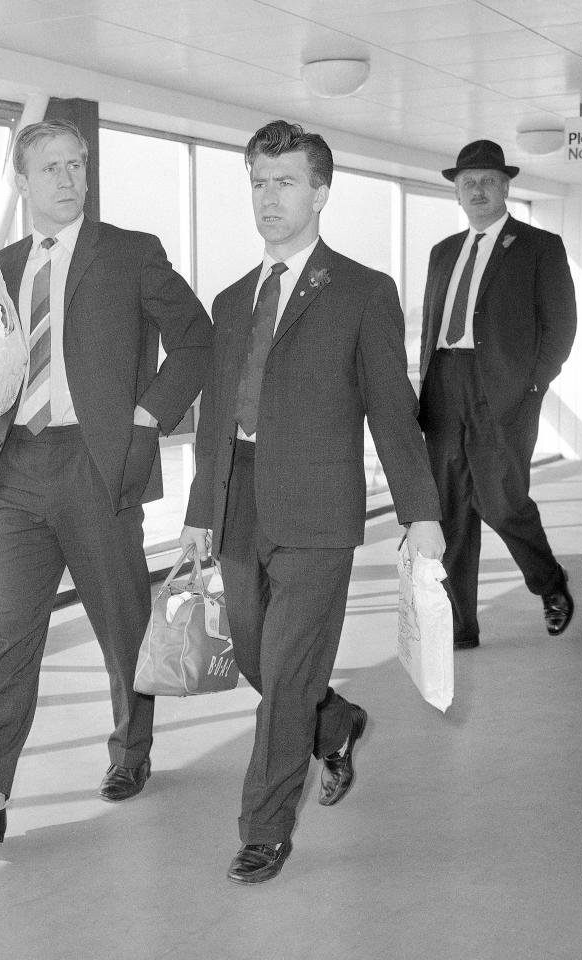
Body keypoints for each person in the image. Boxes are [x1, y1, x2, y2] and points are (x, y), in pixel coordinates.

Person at [0, 118, 212, 843]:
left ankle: (131, 750)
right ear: (21, 183)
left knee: (121, 628)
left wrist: (148, 416)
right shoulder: (3, 264)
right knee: (10, 634)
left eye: (76, 164)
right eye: (50, 168)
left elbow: (198, 340)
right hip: (19, 464)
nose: (68, 178)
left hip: (99, 461)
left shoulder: (130, 253)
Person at [180, 120, 444, 885]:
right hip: (237, 507)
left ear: (321, 192)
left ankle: (263, 827)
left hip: (318, 512)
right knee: (263, 660)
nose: (268, 197)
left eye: (285, 182)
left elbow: (393, 413)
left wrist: (420, 512)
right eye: (259, 182)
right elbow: (213, 420)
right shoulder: (232, 300)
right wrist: (201, 513)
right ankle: (337, 723)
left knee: (287, 674)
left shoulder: (362, 292)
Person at [418, 140, 577, 651]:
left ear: (506, 187)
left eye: (487, 180)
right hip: (444, 386)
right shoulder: (442, 252)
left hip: (503, 391)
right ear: (457, 193)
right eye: (468, 183)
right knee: (449, 511)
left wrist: (533, 386)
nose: (478, 190)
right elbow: (431, 326)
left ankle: (550, 584)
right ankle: (461, 627)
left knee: (501, 500)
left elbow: (561, 325)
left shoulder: (538, 246)